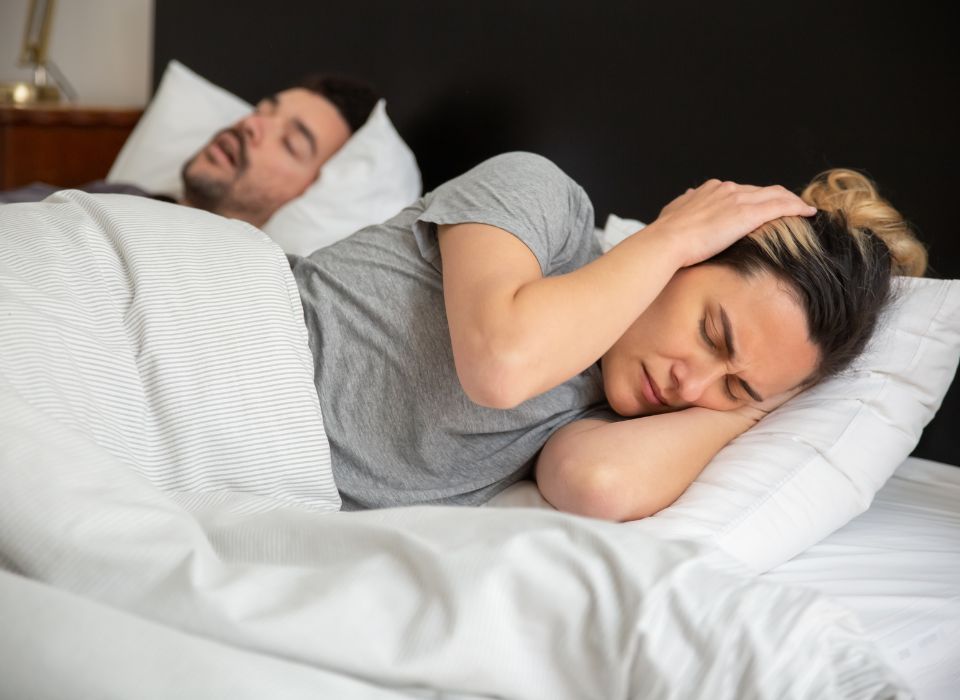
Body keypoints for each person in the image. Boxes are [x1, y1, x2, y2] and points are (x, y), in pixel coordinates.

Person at [288, 152, 926, 519]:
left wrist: (753, 408)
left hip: (239, 470)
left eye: (735, 385)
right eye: (712, 333)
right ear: (691, 254)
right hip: (216, 333)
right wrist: (668, 236)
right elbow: (501, 365)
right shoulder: (542, 204)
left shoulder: (608, 414)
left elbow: (597, 485)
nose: (692, 383)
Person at [0, 75, 379, 228]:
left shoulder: (232, 280)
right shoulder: (123, 194)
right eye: (263, 110)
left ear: (312, 193)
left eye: (290, 142)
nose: (252, 124)